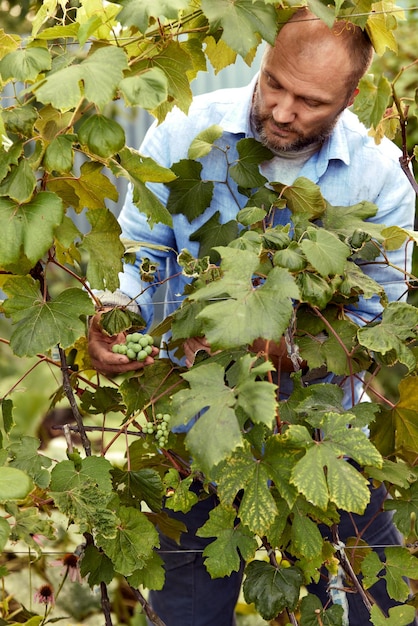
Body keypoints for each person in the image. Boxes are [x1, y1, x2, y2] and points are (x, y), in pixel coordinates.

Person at [88, 8, 416, 626]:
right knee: (187, 613)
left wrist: (282, 351)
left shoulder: (381, 175)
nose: (283, 112)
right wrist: (114, 316)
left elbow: (377, 322)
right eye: (274, 84)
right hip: (198, 424)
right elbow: (141, 253)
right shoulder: (184, 132)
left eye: (311, 101)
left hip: (323, 431)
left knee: (377, 604)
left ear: (351, 97)